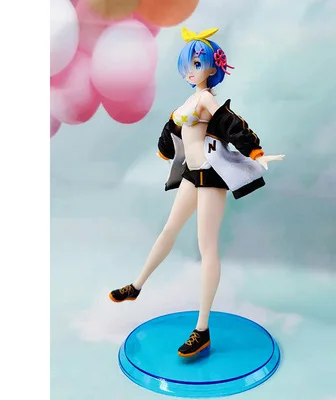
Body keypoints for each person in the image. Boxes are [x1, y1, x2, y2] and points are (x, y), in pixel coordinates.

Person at [109, 27, 285, 358]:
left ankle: (202, 330)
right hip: (192, 174)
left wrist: (255, 151)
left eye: (197, 64)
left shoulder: (205, 99)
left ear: (212, 66)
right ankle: (136, 285)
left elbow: (231, 123)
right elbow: (173, 132)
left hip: (211, 175)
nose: (191, 71)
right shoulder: (189, 100)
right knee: (169, 230)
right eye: (186, 65)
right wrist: (165, 146)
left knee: (207, 247)